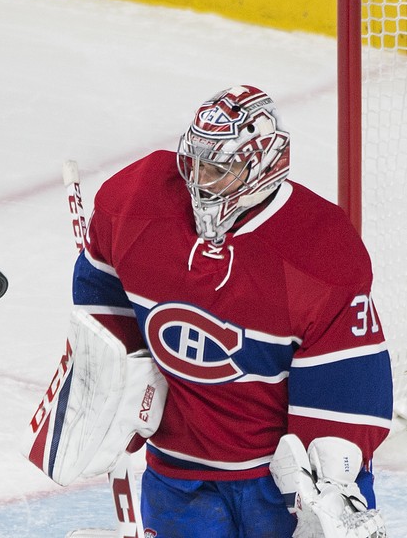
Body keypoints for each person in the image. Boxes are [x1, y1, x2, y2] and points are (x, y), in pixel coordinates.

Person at [71, 85, 393, 537]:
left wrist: (329, 487)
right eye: (195, 163)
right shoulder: (136, 203)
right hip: (178, 473)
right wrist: (112, 366)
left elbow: (347, 387)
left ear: (262, 165)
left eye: (217, 168)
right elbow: (100, 280)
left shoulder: (318, 251)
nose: (199, 179)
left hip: (273, 484)